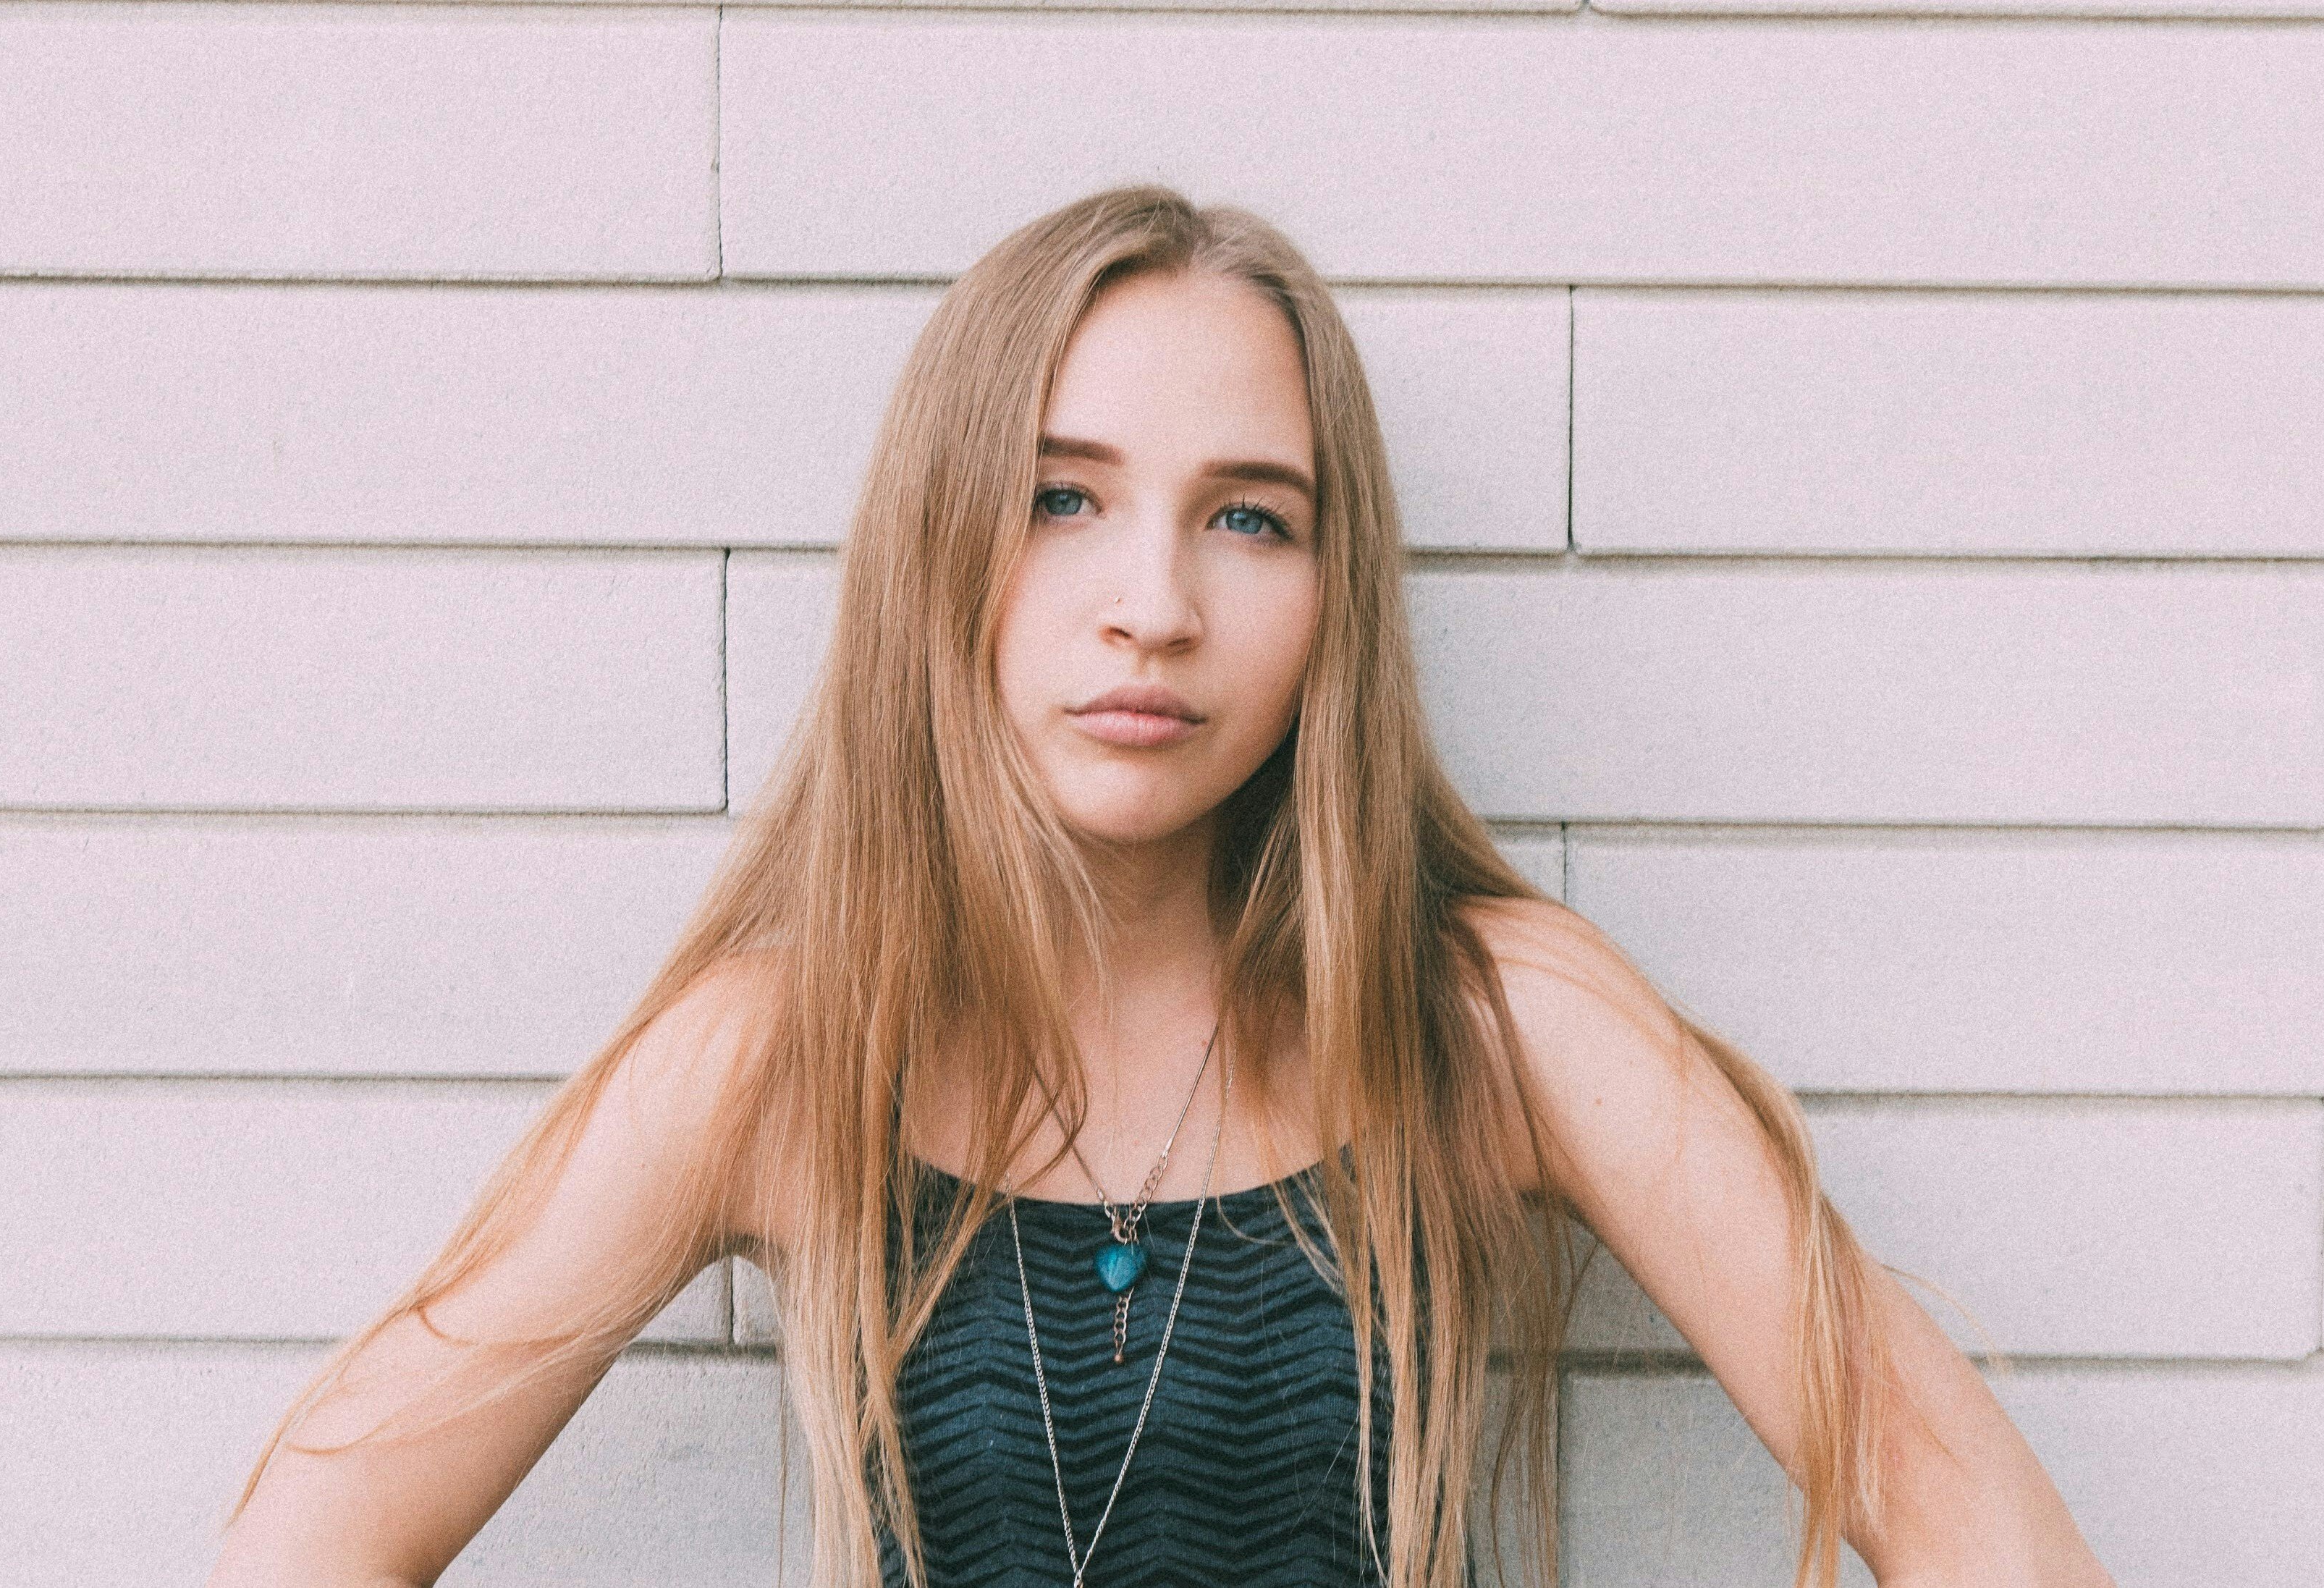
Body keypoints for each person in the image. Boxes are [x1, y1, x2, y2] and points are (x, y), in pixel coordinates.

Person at [207, 185, 2111, 1588]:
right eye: (1062, 492)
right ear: (939, 538)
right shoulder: (788, 1054)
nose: (1154, 602)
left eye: (1245, 515)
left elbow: (1979, 1524)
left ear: (1328, 590)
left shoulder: (1496, 1024)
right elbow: (309, 1533)